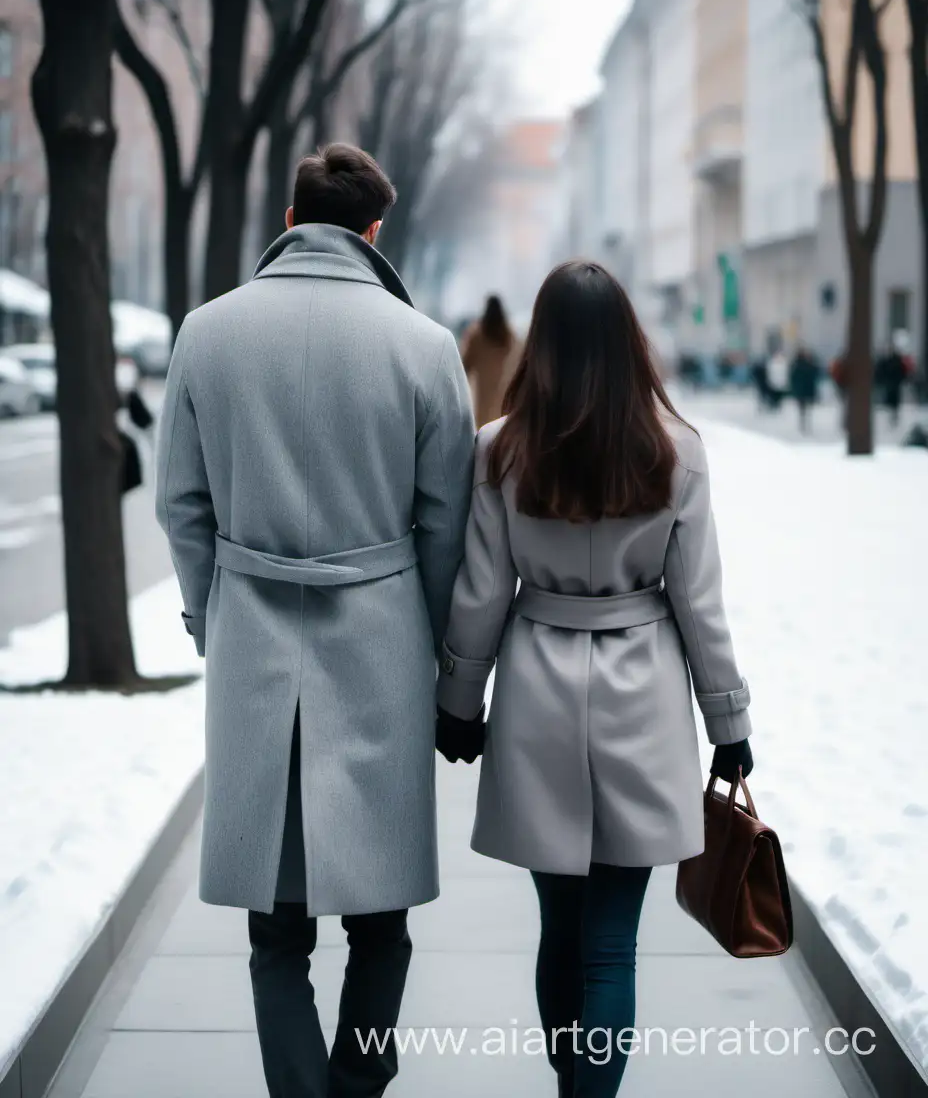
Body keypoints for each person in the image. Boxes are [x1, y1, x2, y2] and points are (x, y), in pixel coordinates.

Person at [155, 143, 475, 1098]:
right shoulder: (422, 345)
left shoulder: (205, 333)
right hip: (379, 640)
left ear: (290, 221)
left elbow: (181, 505)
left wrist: (215, 614)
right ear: (375, 233)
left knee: (274, 928)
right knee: (381, 921)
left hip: (252, 629)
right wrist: (426, 642)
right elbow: (447, 522)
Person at [435, 260, 753, 1098]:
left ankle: (568, 1077)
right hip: (641, 698)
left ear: (543, 345)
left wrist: (458, 706)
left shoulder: (499, 450)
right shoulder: (676, 450)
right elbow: (699, 602)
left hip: (537, 686)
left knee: (559, 933)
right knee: (613, 943)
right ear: (628, 342)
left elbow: (479, 594)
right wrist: (731, 724)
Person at [460, 294, 522, 427]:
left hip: (482, 399)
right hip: (503, 397)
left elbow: (464, 367)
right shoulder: (508, 335)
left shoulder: (476, 335)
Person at [789, 347, 821, 434]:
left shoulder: (796, 365)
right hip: (806, 390)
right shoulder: (808, 365)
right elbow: (816, 373)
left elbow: (792, 378)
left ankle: (803, 424)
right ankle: (804, 424)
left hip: (801, 391)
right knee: (806, 409)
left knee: (802, 409)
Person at [764, 346, 789, 411]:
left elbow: (786, 373)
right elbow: (769, 372)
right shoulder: (772, 363)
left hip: (781, 381)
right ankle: (773, 404)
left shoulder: (784, 363)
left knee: (779, 394)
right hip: (773, 381)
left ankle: (778, 404)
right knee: (773, 394)